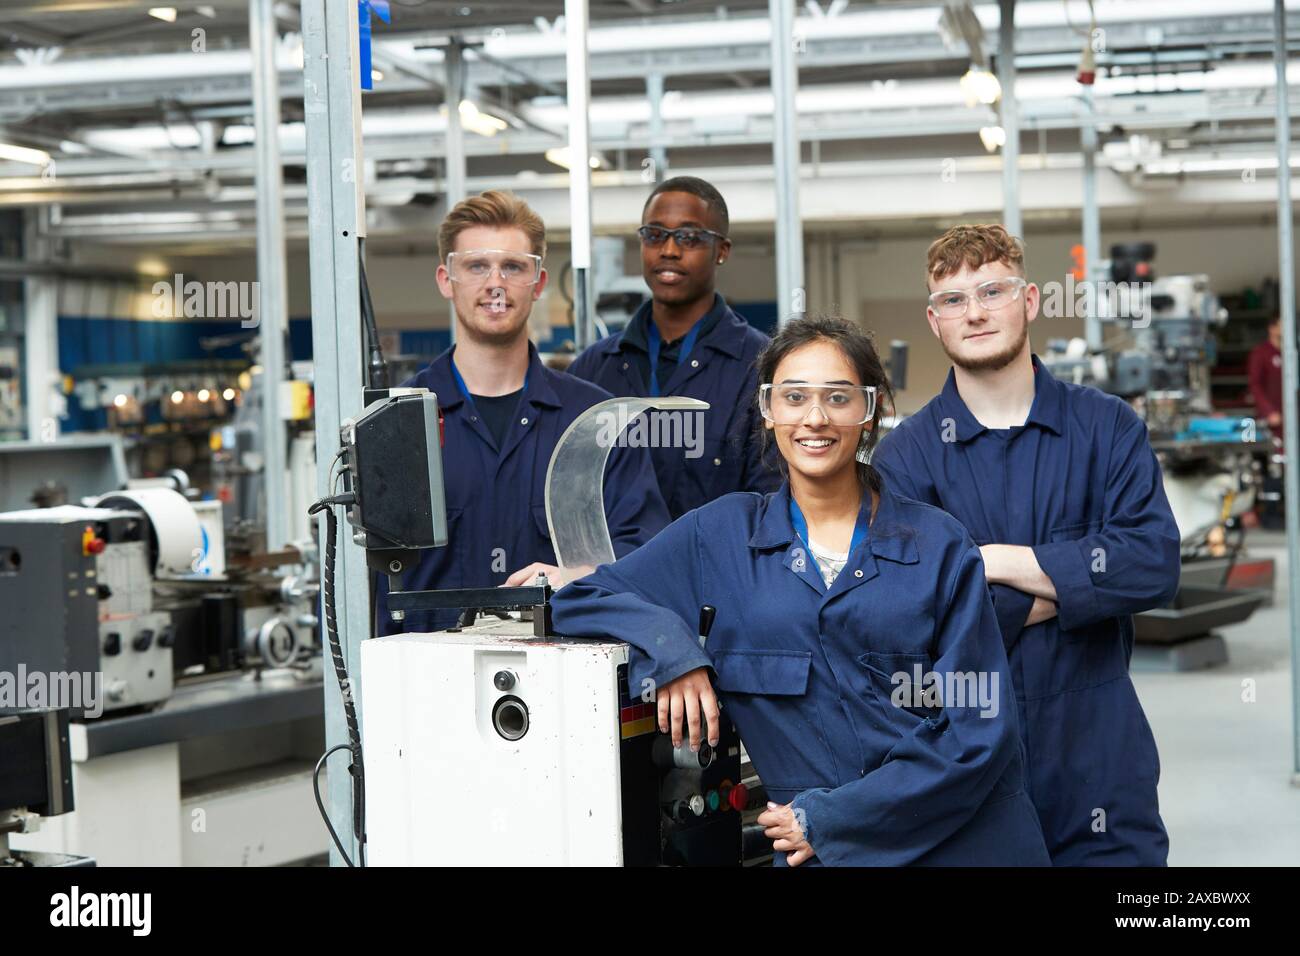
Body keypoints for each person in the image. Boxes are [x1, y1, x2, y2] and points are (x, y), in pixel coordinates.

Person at [552, 315, 1050, 866]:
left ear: (870, 410)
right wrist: (673, 652)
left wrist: (832, 819)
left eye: (838, 397)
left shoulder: (937, 546)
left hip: (966, 845)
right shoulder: (718, 536)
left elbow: (978, 730)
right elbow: (583, 597)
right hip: (825, 853)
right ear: (768, 410)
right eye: (793, 397)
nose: (814, 418)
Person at [871, 224, 1181, 866]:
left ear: (1031, 301)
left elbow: (1152, 564)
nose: (975, 311)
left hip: (1098, 750)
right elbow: (912, 616)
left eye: (992, 290)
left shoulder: (1106, 428)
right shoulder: (906, 458)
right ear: (934, 321)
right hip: (967, 754)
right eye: (954, 300)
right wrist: (1078, 591)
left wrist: (998, 564)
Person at [376, 191, 670, 635]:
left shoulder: (594, 422)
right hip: (426, 685)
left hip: (562, 675)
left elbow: (648, 551)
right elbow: (362, 581)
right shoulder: (393, 426)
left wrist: (579, 575)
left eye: (513, 267)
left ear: (537, 281)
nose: (496, 283)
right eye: (476, 266)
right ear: (445, 278)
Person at [568, 176, 779, 518]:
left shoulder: (759, 369)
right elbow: (568, 490)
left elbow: (769, 504)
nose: (669, 250)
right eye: (654, 234)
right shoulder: (593, 369)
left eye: (689, 237)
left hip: (714, 569)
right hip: (614, 571)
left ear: (721, 251)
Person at [1248, 314, 1284, 437]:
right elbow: (1255, 385)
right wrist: (1269, 411)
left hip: (1291, 417)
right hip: (1272, 421)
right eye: (1283, 324)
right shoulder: (1261, 353)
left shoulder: (1291, 353)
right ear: (1272, 328)